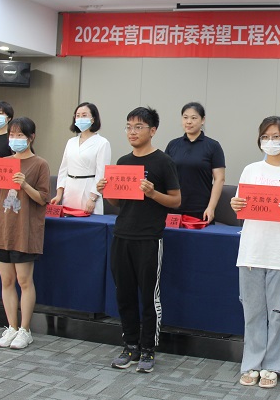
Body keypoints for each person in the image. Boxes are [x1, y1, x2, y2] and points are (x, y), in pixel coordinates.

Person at [97, 107, 180, 374]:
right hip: (122, 234)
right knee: (124, 294)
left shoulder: (163, 162)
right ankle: (130, 345)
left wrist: (153, 193)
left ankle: (148, 348)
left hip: (149, 237)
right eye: (129, 127)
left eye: (139, 127)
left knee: (149, 297)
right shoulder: (123, 162)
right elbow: (117, 202)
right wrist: (105, 190)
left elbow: (176, 201)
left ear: (152, 131)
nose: (132, 132)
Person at [230, 116, 280, 390]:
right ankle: (251, 363)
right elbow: (240, 205)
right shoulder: (251, 170)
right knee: (252, 312)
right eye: (266, 136)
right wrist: (235, 204)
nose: (271, 141)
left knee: (278, 313)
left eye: (276, 137)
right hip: (252, 250)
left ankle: (273, 365)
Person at [0, 117, 50, 350]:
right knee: (7, 280)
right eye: (12, 135)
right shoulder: (3, 162)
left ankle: (25, 329)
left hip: (24, 230)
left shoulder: (39, 164)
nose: (15, 139)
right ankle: (11, 326)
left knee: (24, 280)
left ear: (31, 137)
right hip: (2, 228)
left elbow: (43, 199)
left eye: (20, 135)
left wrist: (25, 184)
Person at [165, 102, 226, 221]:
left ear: (202, 120)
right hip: (174, 208)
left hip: (201, 209)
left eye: (194, 118)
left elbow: (219, 179)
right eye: (185, 117)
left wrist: (211, 208)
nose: (188, 122)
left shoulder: (213, 146)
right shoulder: (173, 145)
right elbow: (165, 174)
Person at [51, 102, 111, 214]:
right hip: (70, 190)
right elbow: (63, 169)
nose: (80, 118)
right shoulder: (71, 142)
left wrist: (93, 198)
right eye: (77, 116)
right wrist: (59, 194)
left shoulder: (102, 143)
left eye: (84, 115)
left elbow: (101, 174)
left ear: (93, 119)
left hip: (89, 191)